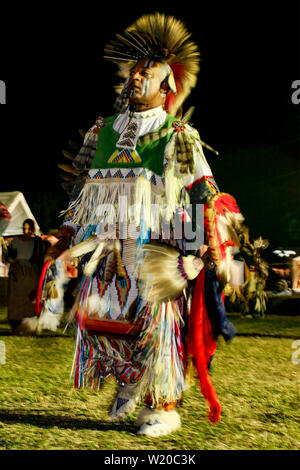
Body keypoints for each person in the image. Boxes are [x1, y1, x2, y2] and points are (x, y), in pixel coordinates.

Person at [44, 13, 242, 437]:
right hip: (107, 249)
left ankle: (162, 406)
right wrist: (65, 234)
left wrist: (209, 244)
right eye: (132, 70)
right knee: (104, 320)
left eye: (145, 71)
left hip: (157, 250)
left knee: (157, 328)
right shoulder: (102, 132)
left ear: (166, 84)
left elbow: (203, 191)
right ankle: (129, 382)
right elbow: (80, 191)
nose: (135, 77)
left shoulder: (178, 135)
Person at [4, 219, 44, 334]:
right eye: (24, 228)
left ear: (33, 229)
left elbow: (41, 259)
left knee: (29, 299)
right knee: (16, 299)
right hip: (17, 273)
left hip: (31, 273)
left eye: (28, 229)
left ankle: (29, 325)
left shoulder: (37, 242)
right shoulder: (16, 241)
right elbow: (9, 257)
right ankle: (15, 324)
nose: (26, 231)